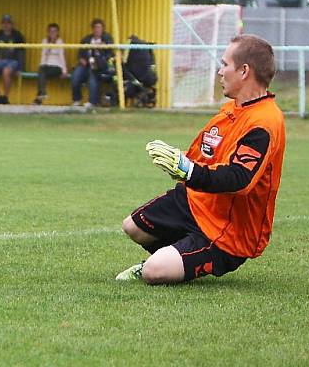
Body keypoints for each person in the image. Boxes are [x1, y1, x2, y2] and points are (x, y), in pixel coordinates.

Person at [116, 34, 285, 284]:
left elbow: (239, 179)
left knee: (154, 272)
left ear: (244, 71)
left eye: (225, 64)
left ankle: (165, 262)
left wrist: (189, 170)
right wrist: (180, 161)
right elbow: (202, 158)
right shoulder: (230, 110)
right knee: (133, 227)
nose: (220, 71)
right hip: (199, 202)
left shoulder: (264, 122)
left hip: (229, 229)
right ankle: (177, 255)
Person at [70, 18, 114, 108]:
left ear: (103, 29)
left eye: (99, 27)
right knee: (75, 75)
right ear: (92, 29)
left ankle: (92, 101)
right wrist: (81, 59)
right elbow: (80, 53)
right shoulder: (87, 39)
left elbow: (110, 53)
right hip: (86, 64)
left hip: (100, 65)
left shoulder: (107, 38)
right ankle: (77, 99)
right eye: (96, 27)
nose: (97, 30)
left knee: (92, 74)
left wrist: (102, 48)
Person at [0, 14, 25, 104]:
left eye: (8, 23)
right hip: (0, 61)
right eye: (4, 23)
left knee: (6, 72)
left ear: (12, 24)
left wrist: (20, 68)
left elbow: (21, 52)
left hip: (13, 61)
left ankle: (6, 97)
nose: (6, 25)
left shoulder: (17, 35)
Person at [33, 22, 67, 105]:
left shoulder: (60, 42)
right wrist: (50, 43)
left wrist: (64, 70)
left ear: (57, 32)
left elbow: (62, 56)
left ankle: (39, 97)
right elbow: (43, 55)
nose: (53, 33)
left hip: (57, 67)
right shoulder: (44, 41)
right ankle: (41, 95)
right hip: (46, 66)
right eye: (51, 31)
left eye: (55, 31)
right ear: (48, 32)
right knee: (41, 71)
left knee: (41, 74)